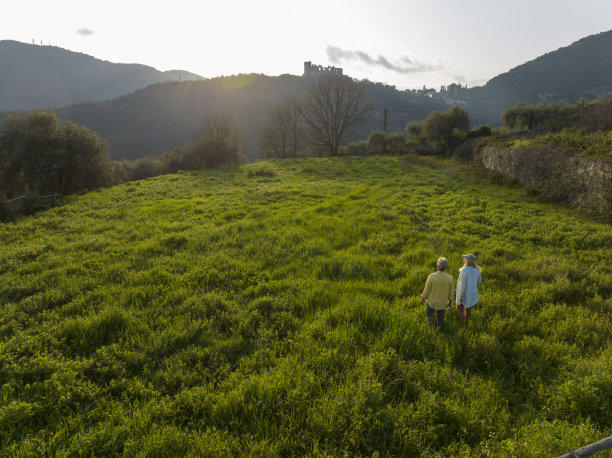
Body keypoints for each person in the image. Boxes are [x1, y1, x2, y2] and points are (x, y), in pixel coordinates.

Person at [420, 257, 454, 327]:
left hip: (431, 302)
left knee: (429, 315)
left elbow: (427, 290)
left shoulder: (431, 276)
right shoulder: (450, 278)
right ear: (445, 267)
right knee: (440, 317)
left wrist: (423, 298)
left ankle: (431, 327)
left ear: (437, 266)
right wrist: (450, 302)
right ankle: (440, 328)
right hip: (442, 303)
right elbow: (451, 292)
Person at [456, 253, 482, 325]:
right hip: (472, 293)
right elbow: (479, 282)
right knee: (468, 308)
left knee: (459, 309)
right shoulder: (477, 270)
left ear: (467, 261)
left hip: (464, 293)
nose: (464, 260)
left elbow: (462, 284)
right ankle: (468, 323)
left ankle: (463, 325)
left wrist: (460, 295)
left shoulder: (464, 271)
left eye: (465, 259)